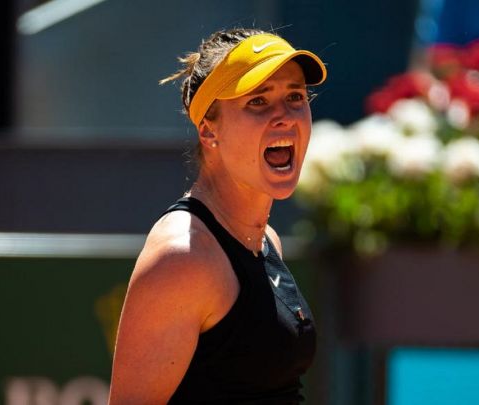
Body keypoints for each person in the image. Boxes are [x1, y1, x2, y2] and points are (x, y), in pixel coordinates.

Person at [108, 28, 327, 404]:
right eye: (258, 101)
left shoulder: (266, 240)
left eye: (295, 96)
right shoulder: (183, 256)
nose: (285, 116)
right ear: (209, 132)